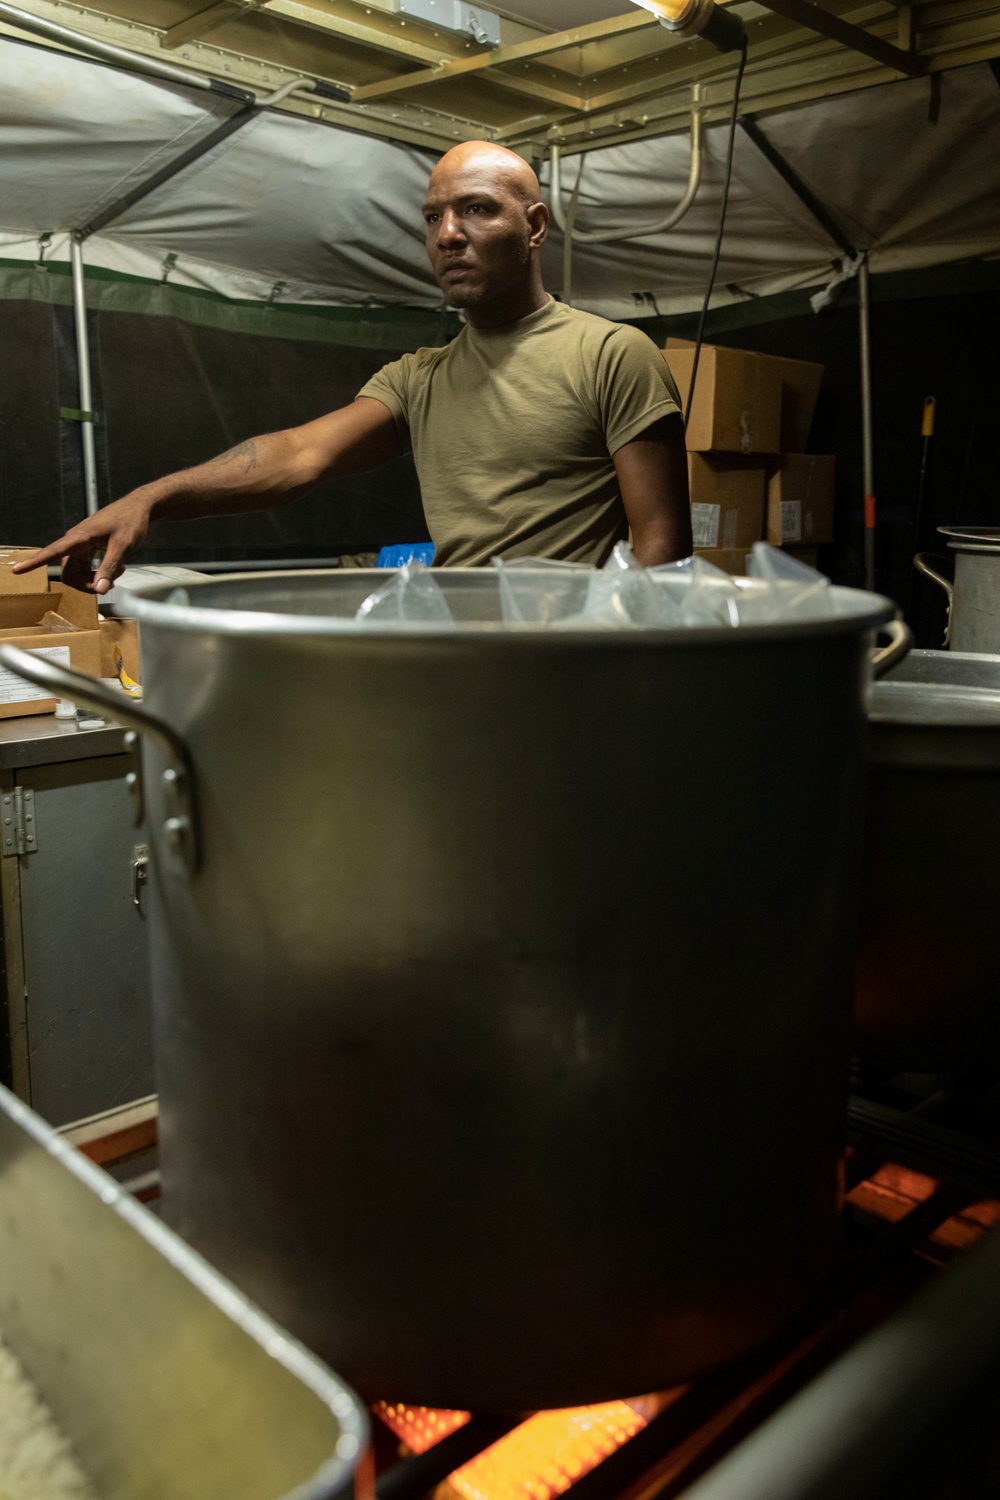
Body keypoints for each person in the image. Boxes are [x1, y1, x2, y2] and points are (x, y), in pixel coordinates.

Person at [15, 142, 691, 594]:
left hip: (581, 673)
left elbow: (661, 544)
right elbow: (297, 456)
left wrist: (615, 675)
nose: (448, 234)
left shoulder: (611, 354)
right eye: (434, 217)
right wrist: (151, 499)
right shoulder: (420, 378)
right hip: (467, 670)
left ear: (535, 225)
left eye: (477, 209)